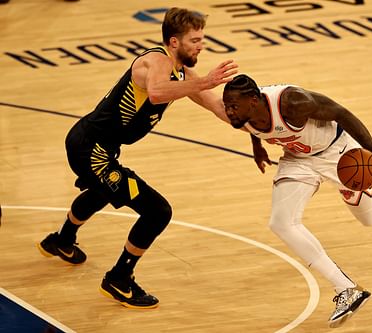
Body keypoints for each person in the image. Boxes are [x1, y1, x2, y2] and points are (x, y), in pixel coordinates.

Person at [37, 7, 238, 309]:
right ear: (173, 42)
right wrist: (206, 81)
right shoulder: (155, 61)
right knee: (158, 211)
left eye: (202, 39)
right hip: (90, 149)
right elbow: (157, 92)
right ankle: (119, 278)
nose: (201, 45)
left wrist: (263, 131)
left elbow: (217, 107)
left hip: (97, 146)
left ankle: (61, 241)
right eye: (195, 40)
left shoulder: (182, 74)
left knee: (102, 191)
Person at [222, 74, 372, 328]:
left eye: (233, 106)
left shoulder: (292, 102)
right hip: (298, 159)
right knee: (281, 223)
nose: (229, 111)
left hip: (339, 155)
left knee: (369, 217)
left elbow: (341, 113)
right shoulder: (244, 115)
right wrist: (257, 145)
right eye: (227, 106)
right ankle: (347, 288)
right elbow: (254, 124)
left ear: (254, 100)